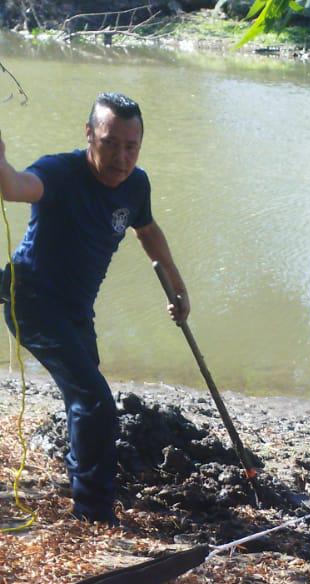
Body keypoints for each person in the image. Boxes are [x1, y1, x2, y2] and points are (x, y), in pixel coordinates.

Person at [0, 92, 189, 525]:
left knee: (86, 400)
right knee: (96, 402)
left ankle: (81, 480)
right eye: (110, 143)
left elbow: (148, 231)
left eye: (131, 146)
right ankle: (94, 515)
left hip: (76, 309)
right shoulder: (59, 172)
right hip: (31, 301)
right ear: (89, 135)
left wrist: (177, 286)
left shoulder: (136, 184)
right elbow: (15, 186)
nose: (121, 157)